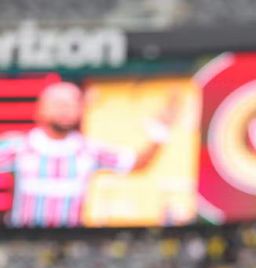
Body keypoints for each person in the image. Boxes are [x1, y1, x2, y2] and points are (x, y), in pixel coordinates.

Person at [0, 81, 175, 227]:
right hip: (23, 241)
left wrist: (159, 132)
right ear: (41, 109)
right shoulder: (19, 147)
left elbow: (136, 163)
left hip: (70, 242)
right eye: (58, 104)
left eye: (71, 105)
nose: (65, 110)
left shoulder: (89, 151)